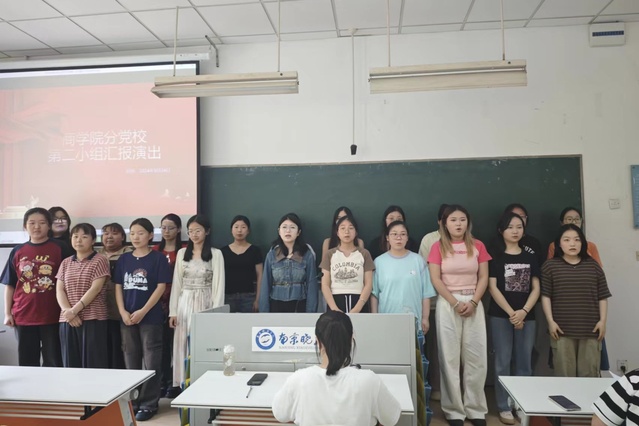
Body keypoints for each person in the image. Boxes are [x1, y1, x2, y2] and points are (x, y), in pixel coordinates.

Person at [272, 310, 401, 426]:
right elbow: (391, 418)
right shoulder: (370, 381)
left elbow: (280, 414)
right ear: (351, 340)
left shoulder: (299, 380)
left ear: (318, 341)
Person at [427, 204, 491, 426]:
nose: (458, 224)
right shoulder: (437, 247)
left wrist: (473, 302)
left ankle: (475, 409)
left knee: (476, 357)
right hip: (448, 303)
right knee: (450, 358)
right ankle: (454, 410)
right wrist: (455, 303)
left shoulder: (478, 245)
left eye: (462, 219)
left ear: (468, 222)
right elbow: (436, 279)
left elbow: (483, 277)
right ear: (445, 223)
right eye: (453, 220)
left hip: (473, 301)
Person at [114, 218, 171, 422]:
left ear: (150, 235)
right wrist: (122, 311)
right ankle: (133, 401)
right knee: (131, 359)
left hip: (150, 317)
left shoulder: (158, 258)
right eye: (132, 233)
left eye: (140, 233)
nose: (136, 237)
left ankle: (149, 403)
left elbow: (161, 287)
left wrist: (143, 311)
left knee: (151, 360)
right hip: (127, 317)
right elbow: (118, 287)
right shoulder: (124, 259)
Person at [487, 212, 540, 424]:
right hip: (501, 316)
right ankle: (504, 406)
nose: (515, 231)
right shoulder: (495, 257)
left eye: (519, 227)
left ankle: (521, 405)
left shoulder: (530, 256)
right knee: (502, 362)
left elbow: (536, 288)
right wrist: (511, 313)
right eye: (510, 227)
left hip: (527, 316)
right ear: (501, 231)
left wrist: (523, 311)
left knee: (524, 361)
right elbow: (492, 287)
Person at [1, 207, 70, 367]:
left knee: (54, 361)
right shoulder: (17, 251)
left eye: (42, 223)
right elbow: (10, 285)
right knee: (27, 362)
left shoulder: (61, 248)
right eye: (32, 223)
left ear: (49, 225)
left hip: (53, 315)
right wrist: (7, 313)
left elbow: (69, 280)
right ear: (25, 226)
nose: (37, 227)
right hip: (23, 315)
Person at [541, 224, 611, 377]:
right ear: (559, 244)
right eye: (566, 240)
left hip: (591, 330)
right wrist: (550, 321)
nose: (572, 244)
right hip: (561, 331)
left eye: (577, 240)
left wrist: (602, 321)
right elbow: (546, 296)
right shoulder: (550, 266)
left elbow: (602, 296)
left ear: (583, 243)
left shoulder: (593, 266)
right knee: (565, 376)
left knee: (589, 376)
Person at [169, 214, 225, 391]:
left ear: (207, 231)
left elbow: (219, 285)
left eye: (198, 230)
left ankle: (202, 383)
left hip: (205, 302)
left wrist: (216, 313)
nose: (194, 234)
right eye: (190, 231)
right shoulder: (181, 253)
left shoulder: (216, 254)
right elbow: (177, 284)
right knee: (182, 344)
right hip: (184, 303)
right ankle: (183, 384)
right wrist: (173, 311)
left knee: (202, 343)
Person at [56, 223, 110, 368]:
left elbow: (95, 289)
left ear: (93, 240)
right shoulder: (66, 262)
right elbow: (60, 290)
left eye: (84, 237)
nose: (78, 240)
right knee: (70, 364)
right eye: (75, 236)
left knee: (93, 365)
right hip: (67, 319)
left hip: (93, 318)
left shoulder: (100, 259)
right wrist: (68, 311)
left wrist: (74, 311)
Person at [372, 220, 435, 333]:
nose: (398, 237)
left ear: (407, 238)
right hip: (386, 319)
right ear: (387, 237)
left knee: (412, 344)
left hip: (413, 319)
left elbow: (426, 293)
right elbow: (374, 295)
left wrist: (425, 318)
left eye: (403, 234)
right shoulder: (379, 262)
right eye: (394, 234)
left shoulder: (418, 261)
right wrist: (375, 318)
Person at [258, 213, 318, 313]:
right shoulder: (272, 255)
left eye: (292, 227)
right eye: (284, 227)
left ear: (298, 232)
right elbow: (265, 286)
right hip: (276, 304)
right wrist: (264, 313)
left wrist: (310, 313)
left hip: (300, 304)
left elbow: (312, 287)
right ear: (279, 231)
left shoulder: (307, 255)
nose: (288, 231)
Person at [153, 213, 184, 398]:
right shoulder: (155, 251)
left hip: (178, 303)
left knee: (177, 344)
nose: (166, 231)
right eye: (163, 227)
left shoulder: (185, 250)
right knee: (161, 345)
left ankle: (176, 381)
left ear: (179, 229)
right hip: (157, 304)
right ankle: (163, 381)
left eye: (170, 227)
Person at [320, 215, 374, 313]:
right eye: (342, 228)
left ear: (356, 232)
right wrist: (334, 308)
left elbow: (368, 284)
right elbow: (325, 284)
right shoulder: (329, 254)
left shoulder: (364, 254)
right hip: (335, 300)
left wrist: (358, 308)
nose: (347, 231)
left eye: (351, 228)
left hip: (359, 300)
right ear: (337, 232)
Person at [97, 222, 133, 369]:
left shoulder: (129, 254)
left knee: (122, 349)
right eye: (106, 233)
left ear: (123, 237)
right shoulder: (96, 255)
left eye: (114, 233)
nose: (109, 237)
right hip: (100, 310)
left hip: (123, 310)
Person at [221, 215, 263, 313]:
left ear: (248, 231)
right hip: (227, 297)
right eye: (236, 227)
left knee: (248, 322)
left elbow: (260, 275)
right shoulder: (223, 251)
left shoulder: (255, 251)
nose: (239, 230)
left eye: (243, 227)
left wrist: (258, 299)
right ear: (231, 230)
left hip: (248, 297)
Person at [503, 203, 544, 267]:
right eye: (513, 215)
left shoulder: (534, 242)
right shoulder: (497, 243)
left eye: (522, 216)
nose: (518, 218)